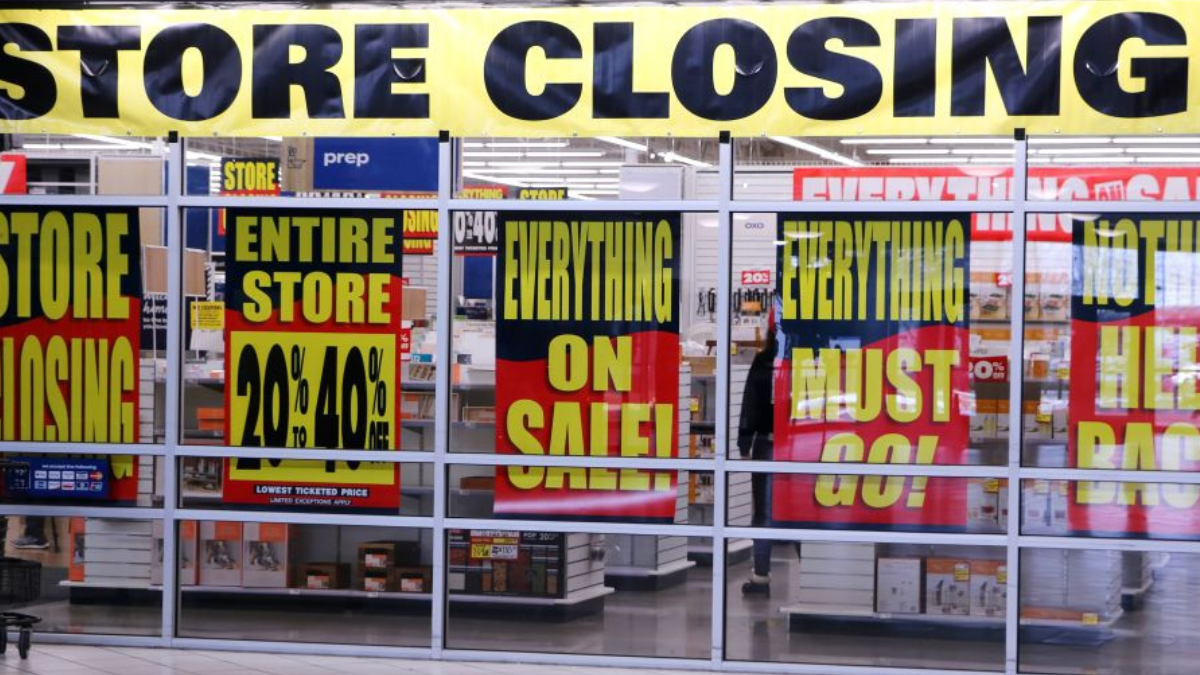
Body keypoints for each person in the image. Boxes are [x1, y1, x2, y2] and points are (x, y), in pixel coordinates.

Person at [738, 313, 796, 595]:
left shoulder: (763, 360)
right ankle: (813, 574)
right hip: (798, 445)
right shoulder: (804, 358)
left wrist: (744, 442)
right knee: (798, 511)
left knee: (764, 513)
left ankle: (761, 576)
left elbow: (750, 403)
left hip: (768, 443)